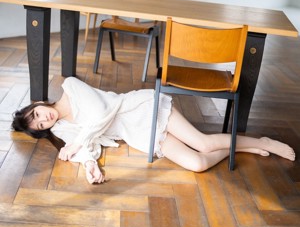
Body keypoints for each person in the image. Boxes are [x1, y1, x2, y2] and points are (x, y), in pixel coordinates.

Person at [12, 77, 295, 184]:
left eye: (37, 114)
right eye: (40, 125)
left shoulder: (71, 86)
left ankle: (263, 141)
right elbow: (89, 146)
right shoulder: (64, 128)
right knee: (197, 164)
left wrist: (77, 144)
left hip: (142, 108)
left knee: (204, 144)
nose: (44, 119)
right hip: (139, 134)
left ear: (37, 103)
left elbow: (100, 114)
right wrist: (88, 165)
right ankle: (246, 146)